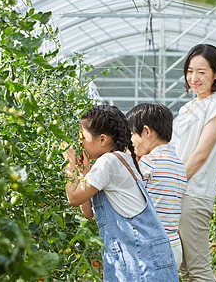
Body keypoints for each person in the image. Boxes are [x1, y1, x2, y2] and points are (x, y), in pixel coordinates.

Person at [62, 104, 179, 281]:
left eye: (82, 137)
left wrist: (69, 167)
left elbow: (73, 198)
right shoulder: (121, 160)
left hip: (139, 261)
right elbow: (88, 212)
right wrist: (83, 174)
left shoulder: (108, 162)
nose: (80, 143)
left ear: (102, 140)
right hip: (139, 258)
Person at [169, 44, 216, 281]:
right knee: (185, 269)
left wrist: (174, 183)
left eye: (202, 72)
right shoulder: (186, 108)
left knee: (198, 269)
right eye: (190, 71)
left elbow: (201, 153)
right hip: (180, 192)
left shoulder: (215, 105)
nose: (194, 78)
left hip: (193, 193)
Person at [126, 103, 187, 268]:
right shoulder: (178, 164)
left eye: (132, 134)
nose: (130, 142)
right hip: (173, 243)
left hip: (153, 245)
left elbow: (127, 193)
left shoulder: (148, 163)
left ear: (146, 131)